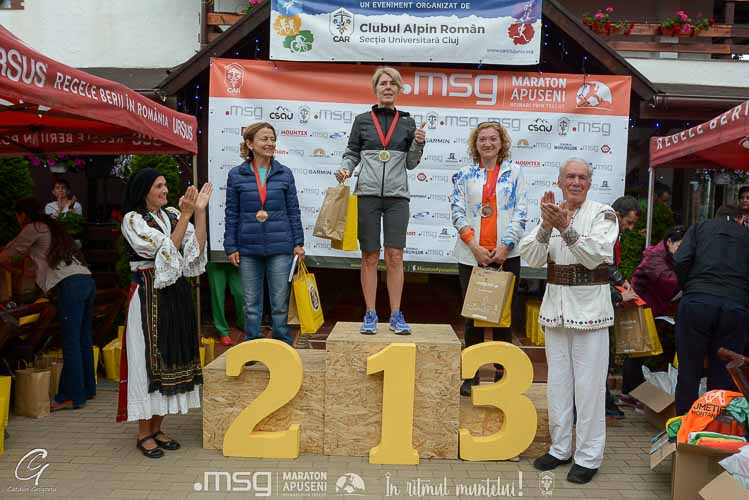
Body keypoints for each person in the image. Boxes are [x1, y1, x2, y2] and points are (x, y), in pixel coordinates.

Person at [519, 158, 618, 484]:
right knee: (558, 385)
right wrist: (547, 226)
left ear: (589, 183)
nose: (576, 182)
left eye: (582, 177)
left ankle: (588, 457)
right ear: (560, 182)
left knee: (589, 389)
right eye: (570, 177)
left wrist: (565, 227)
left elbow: (594, 256)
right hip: (556, 311)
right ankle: (560, 448)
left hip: (590, 313)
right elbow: (532, 257)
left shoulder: (604, 214)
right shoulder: (552, 212)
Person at [118, 168, 211, 459]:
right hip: (148, 294)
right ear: (144, 190)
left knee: (172, 357)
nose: (165, 190)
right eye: (159, 186)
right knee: (148, 361)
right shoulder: (133, 220)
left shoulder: (170, 214)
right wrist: (185, 216)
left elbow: (195, 252)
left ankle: (157, 428)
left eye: (165, 185)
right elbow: (165, 253)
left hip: (175, 294)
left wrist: (199, 213)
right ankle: (143, 432)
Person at [335, 66, 426, 335]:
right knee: (370, 256)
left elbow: (411, 163)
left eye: (392, 84)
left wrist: (418, 144)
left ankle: (396, 314)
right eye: (383, 83)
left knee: (395, 256)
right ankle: (370, 313)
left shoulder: (408, 122)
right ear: (375, 89)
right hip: (367, 195)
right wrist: (345, 169)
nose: (387, 87)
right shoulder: (362, 120)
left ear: (398, 90)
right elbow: (352, 153)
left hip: (398, 197)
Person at [450, 122, 527, 396]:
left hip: (507, 256)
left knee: (503, 318)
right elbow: (457, 211)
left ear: (501, 142)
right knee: (473, 317)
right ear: (475, 144)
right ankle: (470, 377)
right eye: (482, 139)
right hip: (472, 256)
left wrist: (505, 247)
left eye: (493, 139)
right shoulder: (464, 174)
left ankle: (502, 377)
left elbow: (521, 212)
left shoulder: (515, 173)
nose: (488, 144)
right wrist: (474, 247)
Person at [0, 198, 94, 411]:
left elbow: (9, 253)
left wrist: (5, 260)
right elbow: (31, 271)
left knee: (70, 342)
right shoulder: (53, 229)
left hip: (69, 286)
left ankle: (70, 397)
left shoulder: (33, 227)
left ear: (22, 215)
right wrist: (15, 270)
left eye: (17, 217)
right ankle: (87, 389)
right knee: (83, 339)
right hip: (86, 280)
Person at [224, 122, 304, 345]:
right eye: (264, 139)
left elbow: (293, 211)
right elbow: (231, 213)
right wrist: (231, 246)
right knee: (251, 305)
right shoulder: (236, 175)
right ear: (250, 144)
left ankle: (282, 346)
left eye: (272, 139)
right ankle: (253, 346)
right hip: (248, 248)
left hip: (281, 247)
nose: (270, 143)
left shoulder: (284, 173)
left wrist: (298, 242)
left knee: (279, 304)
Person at [673, 205, 749, 415]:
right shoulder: (746, 235)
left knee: (689, 369)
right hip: (734, 305)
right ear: (740, 219)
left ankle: (684, 424)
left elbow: (680, 259)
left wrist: (689, 287)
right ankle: (715, 425)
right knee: (724, 372)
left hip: (697, 300)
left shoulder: (699, 228)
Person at [621, 225, 686, 395]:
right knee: (637, 352)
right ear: (669, 242)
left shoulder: (667, 255)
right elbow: (668, 279)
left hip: (650, 307)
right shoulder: (655, 257)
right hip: (640, 307)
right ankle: (630, 392)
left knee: (639, 352)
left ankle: (632, 391)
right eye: (680, 246)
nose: (682, 251)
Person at [605, 196, 642, 418]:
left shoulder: (613, 233)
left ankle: (605, 401)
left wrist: (621, 282)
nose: (630, 228)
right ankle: (603, 403)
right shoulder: (605, 232)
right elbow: (602, 269)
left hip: (606, 300)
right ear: (618, 215)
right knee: (600, 359)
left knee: (604, 358)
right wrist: (619, 295)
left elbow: (610, 268)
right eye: (628, 223)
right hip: (597, 304)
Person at [206, 262, 245, 346]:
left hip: (236, 259)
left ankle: (242, 322)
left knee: (241, 293)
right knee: (218, 296)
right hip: (215, 260)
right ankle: (222, 331)